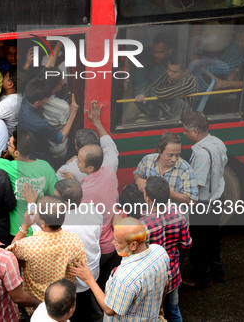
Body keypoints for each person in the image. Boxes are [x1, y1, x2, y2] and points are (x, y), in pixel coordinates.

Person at [69, 218, 170, 321]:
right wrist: (160, 308)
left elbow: (109, 309)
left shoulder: (125, 278)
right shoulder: (160, 251)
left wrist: (89, 279)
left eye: (118, 241)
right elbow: (165, 283)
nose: (114, 243)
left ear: (133, 245)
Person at [32, 179, 103, 322]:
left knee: (72, 311)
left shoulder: (56, 223)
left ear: (64, 205)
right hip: (91, 274)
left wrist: (32, 205)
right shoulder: (94, 211)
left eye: (55, 197)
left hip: (69, 284)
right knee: (87, 307)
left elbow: (37, 229)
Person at [7, 195, 87, 306]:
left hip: (35, 304)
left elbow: (8, 256)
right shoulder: (75, 240)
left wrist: (25, 226)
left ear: (43, 223)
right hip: (63, 302)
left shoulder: (27, 246)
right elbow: (81, 269)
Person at [59, 144, 119, 293]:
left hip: (103, 245)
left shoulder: (85, 194)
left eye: (78, 160)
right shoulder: (110, 171)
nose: (75, 162)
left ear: (90, 168)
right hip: (113, 237)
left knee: (94, 286)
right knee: (106, 279)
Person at [181, 111, 228, 288]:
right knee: (213, 239)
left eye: (186, 131)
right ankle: (219, 272)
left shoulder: (200, 154)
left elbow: (197, 186)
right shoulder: (217, 142)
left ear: (195, 131)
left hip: (204, 204)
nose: (184, 134)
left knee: (197, 243)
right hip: (218, 197)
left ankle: (203, 277)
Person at [0, 130, 58, 239]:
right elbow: (56, 196)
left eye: (9, 144)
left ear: (16, 152)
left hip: (18, 232)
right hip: (42, 229)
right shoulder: (45, 166)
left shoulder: (8, 166)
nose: (7, 145)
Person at [139, 176, 192, 322]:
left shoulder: (142, 224)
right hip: (173, 273)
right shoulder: (179, 213)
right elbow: (186, 244)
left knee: (154, 315)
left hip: (153, 279)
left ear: (147, 197)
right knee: (174, 311)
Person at [18, 78, 79, 162]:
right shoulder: (39, 123)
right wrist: (72, 114)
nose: (49, 100)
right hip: (40, 154)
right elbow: (60, 138)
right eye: (47, 99)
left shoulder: (28, 94)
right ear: (37, 103)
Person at [56, 100, 119, 181]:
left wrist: (67, 163)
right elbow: (108, 143)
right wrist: (97, 122)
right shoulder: (111, 161)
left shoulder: (69, 168)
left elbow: (57, 180)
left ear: (78, 148)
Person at [132, 131, 198, 208]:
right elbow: (137, 174)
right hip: (150, 214)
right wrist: (138, 180)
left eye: (177, 155)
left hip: (174, 218)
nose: (174, 159)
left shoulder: (185, 169)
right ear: (159, 151)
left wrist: (163, 192)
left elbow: (192, 201)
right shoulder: (147, 160)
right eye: (170, 155)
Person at [123, 56, 199, 122]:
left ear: (185, 71)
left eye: (174, 72)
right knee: (133, 104)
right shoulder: (167, 73)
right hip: (160, 109)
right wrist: (142, 93)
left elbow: (160, 93)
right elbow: (152, 85)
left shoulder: (189, 82)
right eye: (168, 69)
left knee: (138, 124)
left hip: (176, 117)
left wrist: (153, 91)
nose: (169, 73)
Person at [189, 26, 244, 91]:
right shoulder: (233, 44)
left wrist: (207, 68)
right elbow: (222, 57)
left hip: (225, 78)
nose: (240, 43)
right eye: (238, 40)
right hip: (217, 68)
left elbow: (228, 68)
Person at [0, 67, 20, 137]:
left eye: (5, 76)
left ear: (10, 84)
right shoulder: (17, 95)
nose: (2, 79)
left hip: (6, 138)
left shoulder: (9, 102)